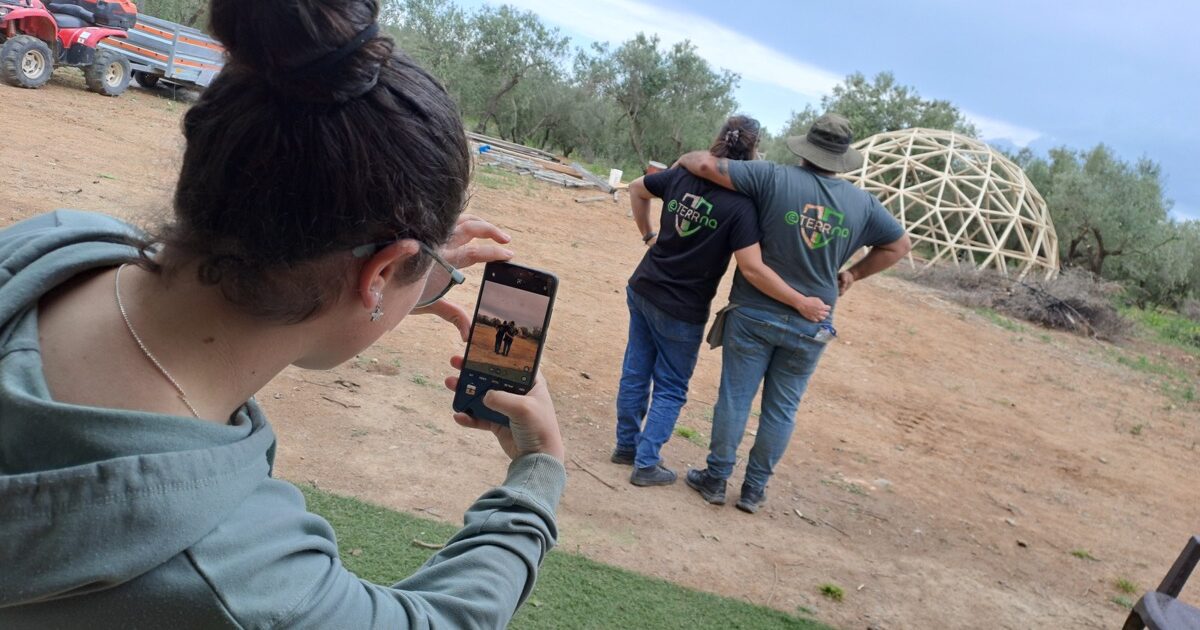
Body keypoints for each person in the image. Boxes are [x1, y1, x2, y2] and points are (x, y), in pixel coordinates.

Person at [0, 1, 566, 627]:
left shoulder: (52, 246)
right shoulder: (238, 583)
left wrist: (401, 270)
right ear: (377, 274)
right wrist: (537, 472)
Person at [676, 113, 912, 513]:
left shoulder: (771, 177)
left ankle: (716, 479)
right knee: (782, 408)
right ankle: (754, 489)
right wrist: (853, 273)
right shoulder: (863, 205)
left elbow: (703, 165)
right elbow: (899, 246)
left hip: (754, 311)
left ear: (805, 149)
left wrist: (684, 158)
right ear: (841, 158)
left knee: (735, 398)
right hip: (812, 321)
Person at [614, 115, 832, 487]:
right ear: (754, 150)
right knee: (671, 385)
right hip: (683, 306)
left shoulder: (681, 175)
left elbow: (636, 189)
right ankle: (647, 463)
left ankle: (626, 447)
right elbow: (751, 267)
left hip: (645, 285)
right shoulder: (742, 204)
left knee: (637, 369)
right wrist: (800, 301)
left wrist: (649, 235)